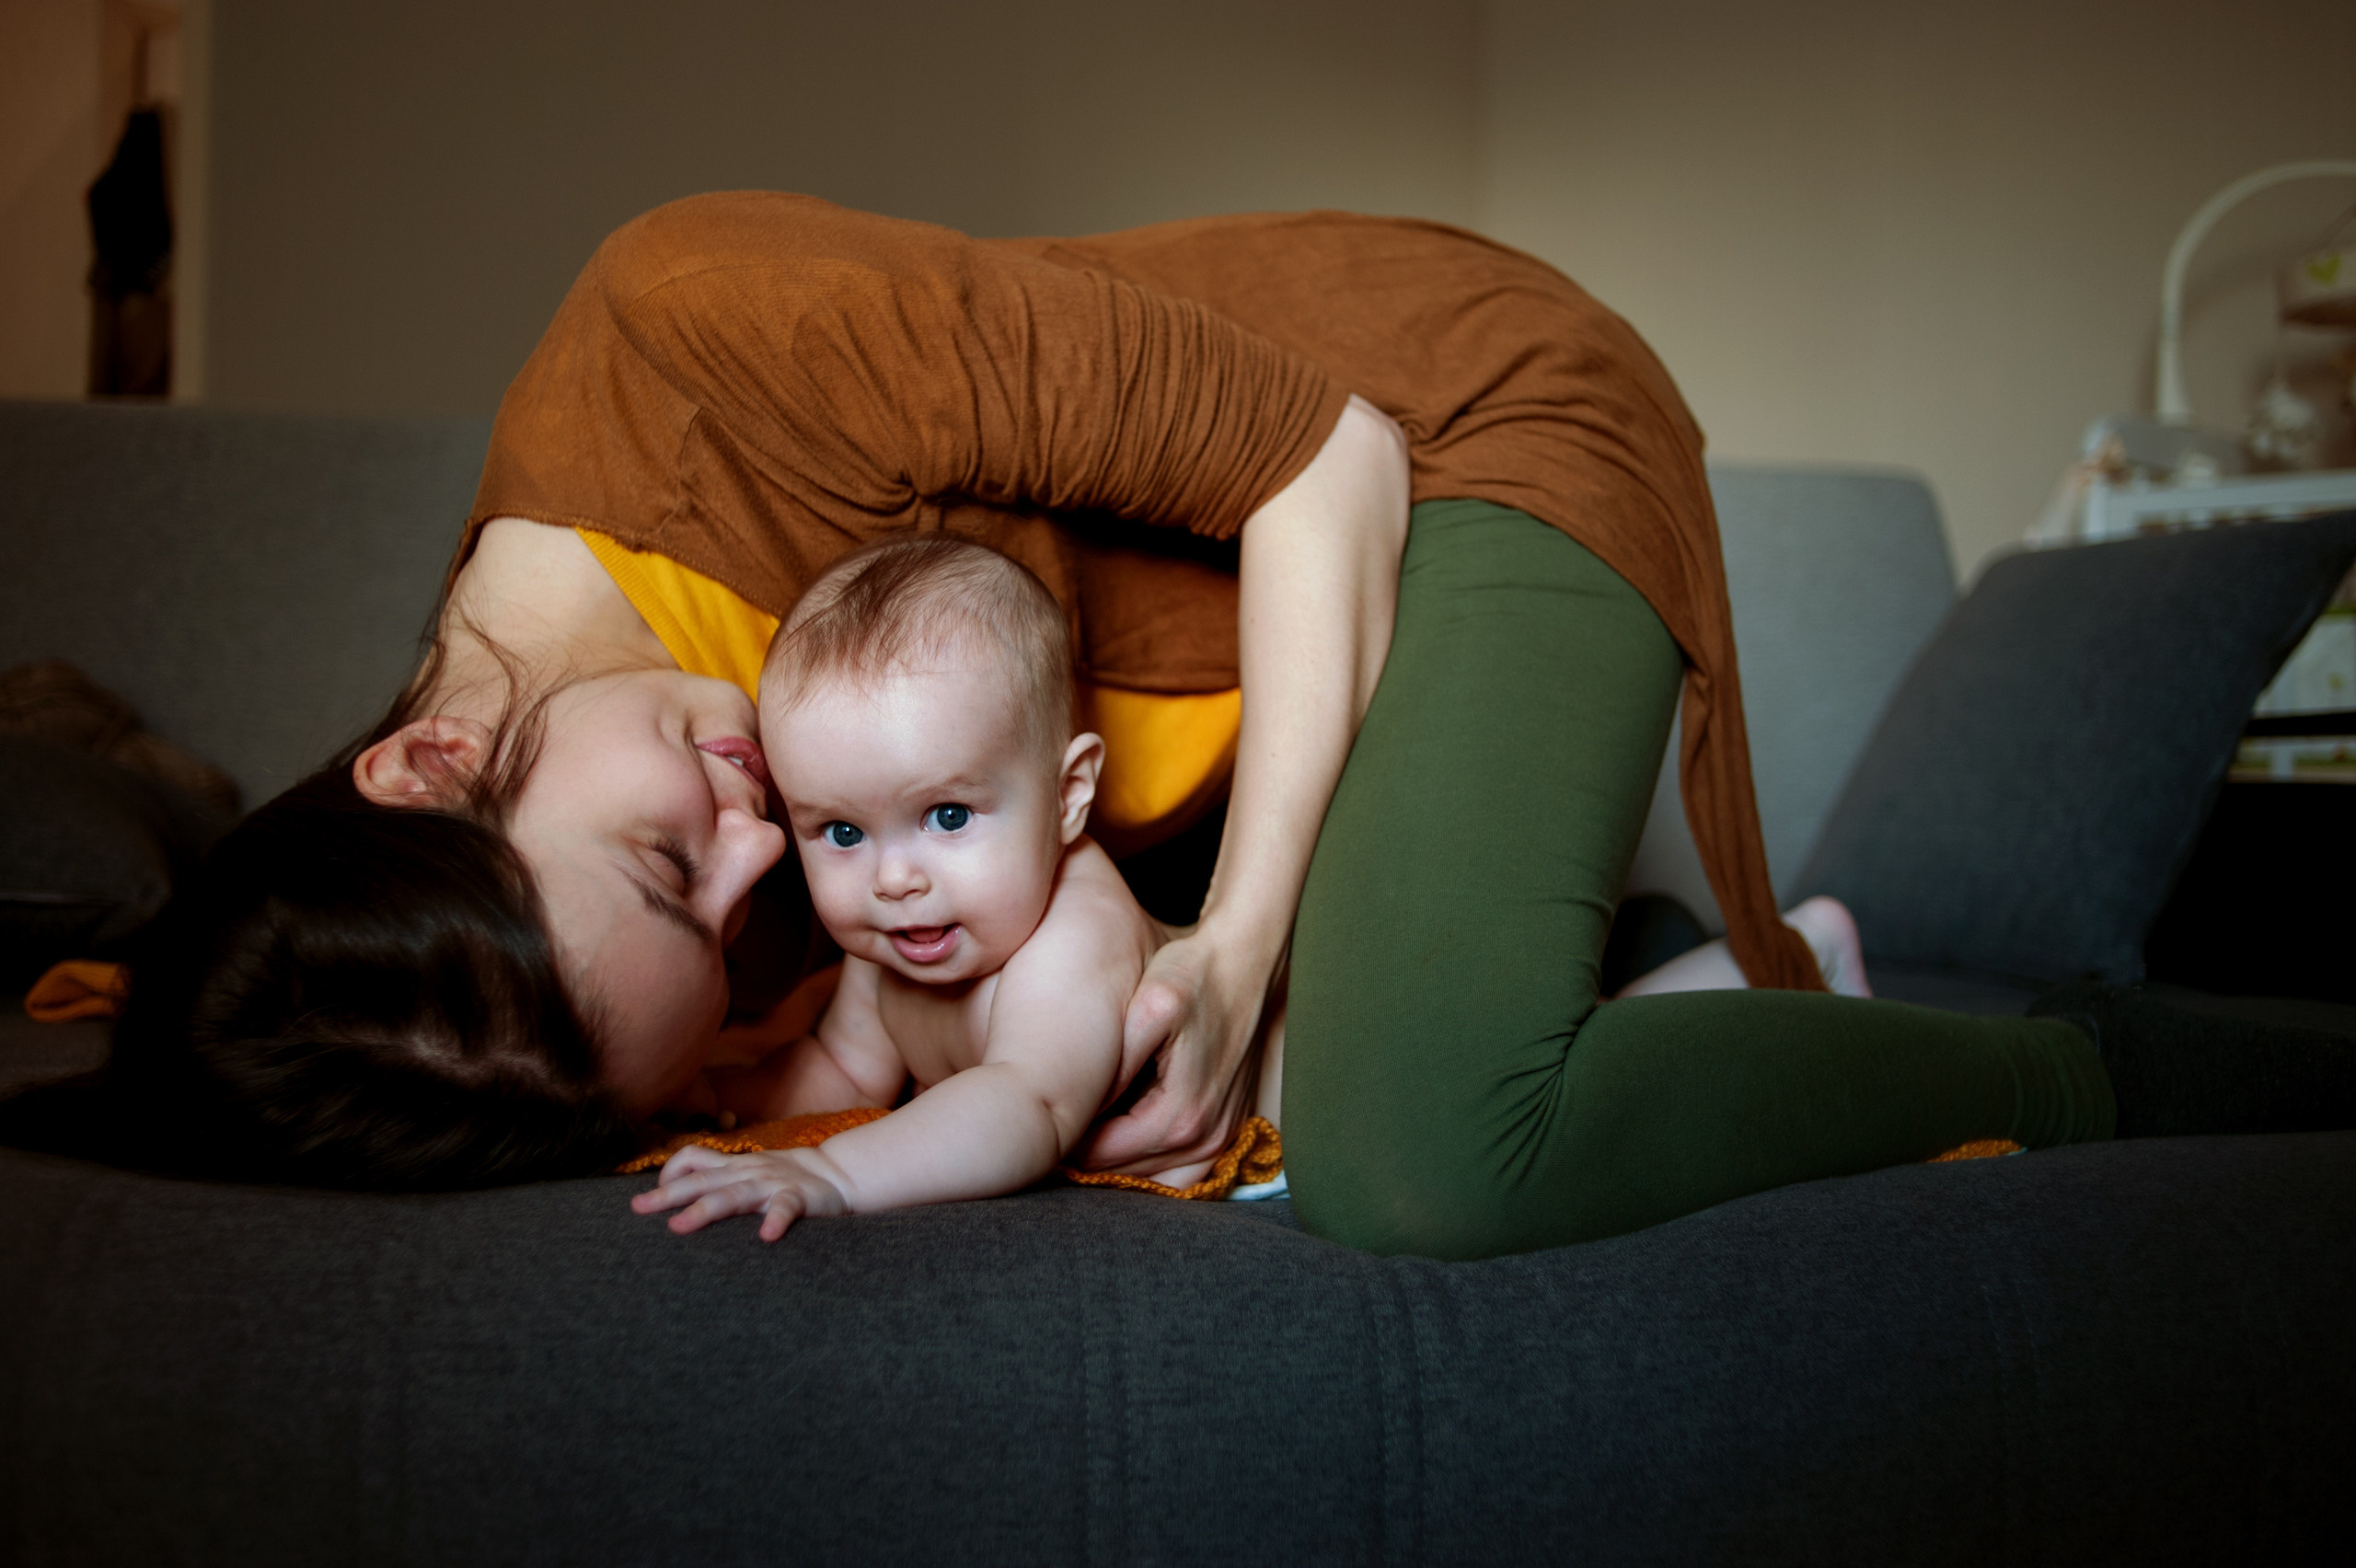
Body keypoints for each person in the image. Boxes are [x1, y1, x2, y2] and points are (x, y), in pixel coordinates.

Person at [68, 191, 2348, 1253]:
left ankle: (2082, 1065)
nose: (766, 856)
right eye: (734, 911)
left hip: (1453, 434)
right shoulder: (560, 871)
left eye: (679, 854)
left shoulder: (698, 328)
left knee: (1420, 1152)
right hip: (1314, 591)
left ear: (426, 759)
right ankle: (1627, 945)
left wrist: (1243, 941)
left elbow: (1322, 463)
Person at [634, 535, 1216, 1240]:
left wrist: (834, 1174)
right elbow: (845, 1072)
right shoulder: (895, 938)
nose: (893, 879)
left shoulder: (1077, 929)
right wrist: (714, 1101)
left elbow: (1027, 1105)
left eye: (948, 816)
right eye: (843, 832)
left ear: (1067, 796)